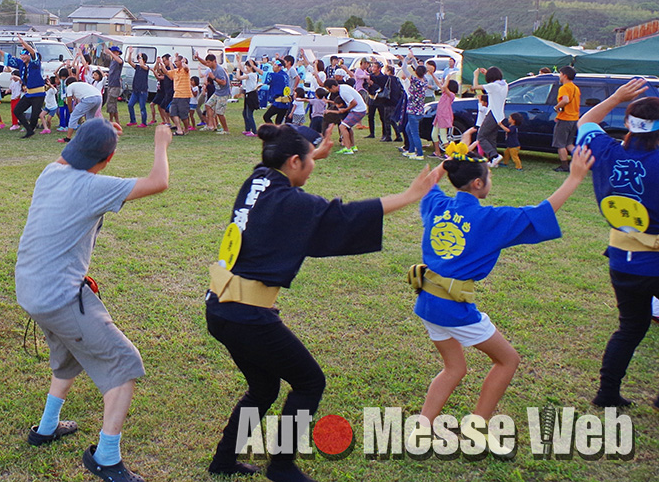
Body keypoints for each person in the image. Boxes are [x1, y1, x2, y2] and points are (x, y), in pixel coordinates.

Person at [205, 123, 440, 479]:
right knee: (309, 382)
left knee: (265, 386)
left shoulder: (259, 180)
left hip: (221, 306)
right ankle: (281, 467)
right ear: (294, 161)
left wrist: (315, 153)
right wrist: (410, 195)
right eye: (309, 160)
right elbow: (344, 216)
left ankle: (223, 462)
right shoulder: (292, 203)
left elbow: (290, 169)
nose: (313, 165)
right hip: (246, 316)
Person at [18, 121, 173, 482]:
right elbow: (159, 182)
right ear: (109, 158)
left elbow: (71, 155)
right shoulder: (94, 186)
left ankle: (46, 427)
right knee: (123, 363)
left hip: (30, 289)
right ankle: (105, 458)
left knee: (69, 354)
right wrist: (161, 142)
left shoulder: (49, 173)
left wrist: (96, 133)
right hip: (59, 296)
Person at [413, 142, 592, 424]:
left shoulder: (437, 205)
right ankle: (478, 427)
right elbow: (542, 211)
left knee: (454, 368)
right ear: (477, 183)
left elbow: (428, 182)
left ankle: (422, 427)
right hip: (453, 310)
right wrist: (574, 178)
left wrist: (451, 160)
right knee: (508, 360)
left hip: (426, 304)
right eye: (489, 176)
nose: (491, 180)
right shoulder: (489, 219)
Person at [575, 79, 659, 410]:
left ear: (629, 125)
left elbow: (585, 122)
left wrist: (616, 97)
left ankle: (607, 393)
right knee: (632, 326)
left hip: (622, 262)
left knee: (630, 327)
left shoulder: (606, 151)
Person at [4, 37, 48, 138]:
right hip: (29, 93)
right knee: (17, 110)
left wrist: (24, 43)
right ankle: (29, 130)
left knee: (34, 115)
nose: (23, 57)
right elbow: (9, 58)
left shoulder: (35, 64)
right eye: (21, 55)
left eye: (25, 55)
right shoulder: (21, 65)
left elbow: (33, 53)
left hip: (39, 93)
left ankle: (30, 130)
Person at [464, 67, 508, 166]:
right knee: (491, 137)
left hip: (492, 113)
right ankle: (493, 160)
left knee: (481, 136)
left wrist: (475, 75)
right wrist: (486, 73)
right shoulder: (504, 84)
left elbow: (475, 86)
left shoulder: (493, 86)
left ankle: (494, 156)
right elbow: (494, 80)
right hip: (500, 115)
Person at [552, 65, 581, 172]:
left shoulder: (564, 88)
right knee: (569, 144)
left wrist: (556, 107)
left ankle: (564, 166)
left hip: (565, 119)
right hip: (574, 118)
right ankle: (580, 160)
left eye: (560, 74)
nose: (559, 76)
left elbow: (565, 100)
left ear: (564, 75)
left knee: (561, 144)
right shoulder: (575, 88)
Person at [63, 76, 103, 142]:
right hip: (99, 97)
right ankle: (93, 136)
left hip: (89, 98)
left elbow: (69, 99)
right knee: (90, 118)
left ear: (68, 84)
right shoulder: (82, 84)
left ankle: (68, 138)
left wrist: (70, 110)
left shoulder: (70, 86)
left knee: (74, 116)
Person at [202, 54, 232, 134]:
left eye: (209, 62)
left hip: (223, 93)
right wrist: (198, 58)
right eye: (207, 62)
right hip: (217, 92)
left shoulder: (219, 70)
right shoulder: (212, 67)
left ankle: (226, 130)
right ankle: (211, 125)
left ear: (214, 61)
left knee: (219, 112)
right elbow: (204, 63)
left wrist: (213, 78)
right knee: (208, 105)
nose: (207, 64)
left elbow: (224, 82)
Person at [430, 80, 458, 159]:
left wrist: (448, 77)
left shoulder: (451, 95)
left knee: (443, 137)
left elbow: (444, 86)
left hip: (444, 117)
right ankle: (437, 152)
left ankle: (449, 154)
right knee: (434, 135)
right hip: (439, 116)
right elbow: (439, 84)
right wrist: (432, 75)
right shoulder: (445, 93)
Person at [238, 58, 261, 136]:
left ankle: (254, 131)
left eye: (247, 66)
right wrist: (239, 61)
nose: (246, 68)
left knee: (249, 114)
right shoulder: (251, 74)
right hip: (248, 95)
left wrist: (238, 70)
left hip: (251, 95)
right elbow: (243, 70)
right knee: (245, 113)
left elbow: (239, 77)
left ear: (251, 67)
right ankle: (248, 129)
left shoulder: (251, 75)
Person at [127, 53, 150, 127]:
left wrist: (140, 56)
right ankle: (133, 120)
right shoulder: (137, 67)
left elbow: (142, 65)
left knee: (142, 107)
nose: (139, 60)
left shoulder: (146, 67)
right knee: (130, 105)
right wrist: (130, 53)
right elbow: (129, 62)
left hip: (143, 91)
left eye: (140, 59)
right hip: (135, 90)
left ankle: (144, 123)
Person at [104, 46, 124, 126]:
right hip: (111, 83)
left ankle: (111, 120)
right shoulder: (112, 61)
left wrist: (111, 53)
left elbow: (120, 61)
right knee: (113, 104)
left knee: (111, 103)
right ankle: (116, 121)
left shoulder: (118, 60)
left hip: (115, 85)